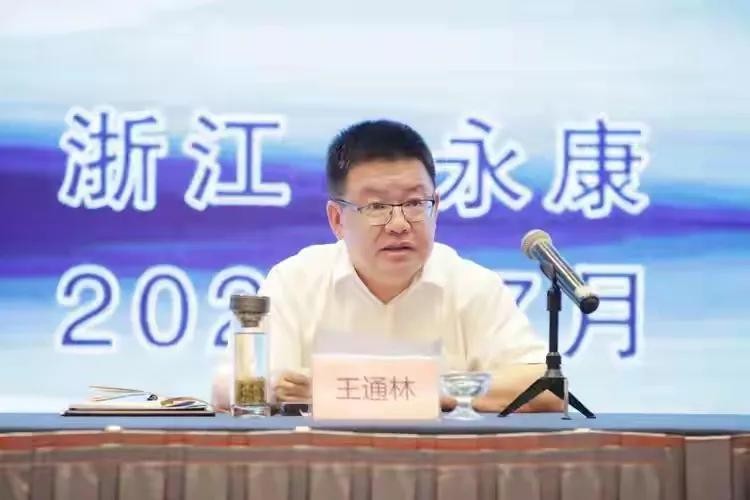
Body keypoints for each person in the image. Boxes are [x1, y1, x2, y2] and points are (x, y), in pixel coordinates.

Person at [212, 119, 561, 412]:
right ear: (337, 219)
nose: (399, 224)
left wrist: (414, 390)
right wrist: (274, 386)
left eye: (414, 203)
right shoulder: (295, 281)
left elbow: (546, 388)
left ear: (436, 207)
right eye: (376, 207)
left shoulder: (472, 285)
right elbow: (226, 386)